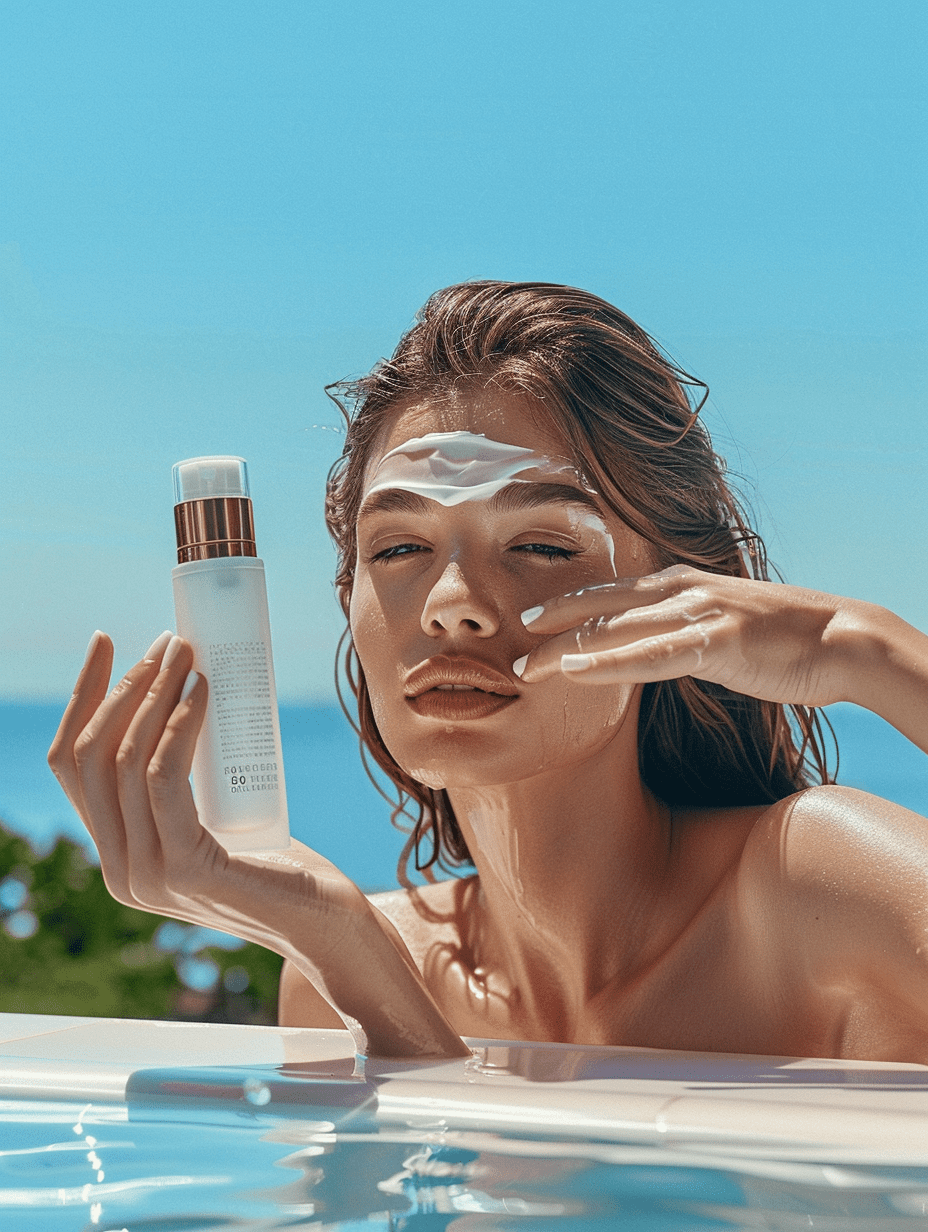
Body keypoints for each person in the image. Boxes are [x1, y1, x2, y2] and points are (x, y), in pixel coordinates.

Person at [49, 281, 928, 1063]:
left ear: (680, 598)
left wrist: (868, 650)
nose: (451, 604)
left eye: (542, 544)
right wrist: (347, 954)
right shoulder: (333, 968)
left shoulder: (818, 892)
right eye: (398, 548)